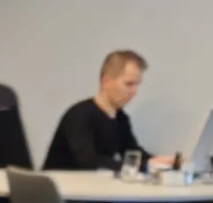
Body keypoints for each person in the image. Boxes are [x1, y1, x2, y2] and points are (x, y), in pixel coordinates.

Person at [44, 50, 177, 171]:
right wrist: (146, 166)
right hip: (61, 192)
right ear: (106, 81)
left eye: (137, 85)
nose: (135, 92)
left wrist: (163, 163)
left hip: (91, 190)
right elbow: (89, 161)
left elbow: (132, 153)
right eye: (129, 84)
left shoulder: (120, 118)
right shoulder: (79, 115)